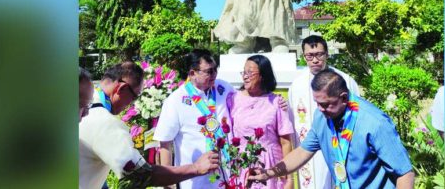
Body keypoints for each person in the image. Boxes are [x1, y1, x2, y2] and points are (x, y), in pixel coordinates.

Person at [249, 70, 414, 189]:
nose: (320, 109)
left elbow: (404, 173)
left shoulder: (375, 123)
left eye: (325, 104)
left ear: (343, 98)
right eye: (317, 103)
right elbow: (302, 153)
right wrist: (269, 173)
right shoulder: (322, 117)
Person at [79, 62, 220, 189]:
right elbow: (141, 175)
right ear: (121, 89)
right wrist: (196, 167)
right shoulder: (105, 122)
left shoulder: (87, 104)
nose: (132, 104)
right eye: (135, 97)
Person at [153, 50, 235, 189]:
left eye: (216, 69)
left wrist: (275, 100)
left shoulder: (224, 88)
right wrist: (167, 182)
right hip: (195, 181)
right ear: (192, 73)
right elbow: (165, 143)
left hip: (228, 176)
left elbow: (245, 102)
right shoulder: (176, 100)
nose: (214, 74)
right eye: (209, 71)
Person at [287, 35, 360, 189]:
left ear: (327, 54)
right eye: (310, 56)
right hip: (309, 149)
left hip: (340, 145)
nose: (315, 60)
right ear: (303, 56)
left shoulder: (345, 81)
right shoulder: (296, 86)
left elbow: (357, 113)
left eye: (319, 54)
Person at [227, 55, 295, 189]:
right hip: (241, 166)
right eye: (244, 72)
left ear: (262, 75)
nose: (245, 76)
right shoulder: (232, 100)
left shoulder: (276, 102)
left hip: (271, 166)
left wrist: (289, 178)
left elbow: (285, 142)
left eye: (250, 72)